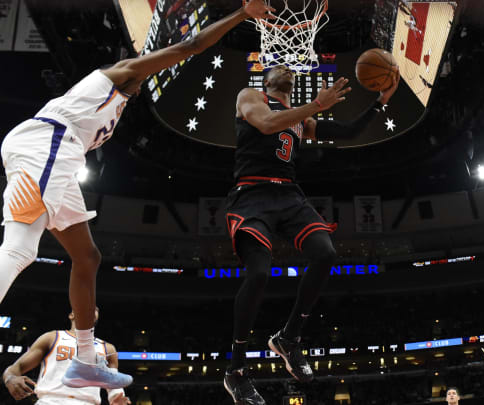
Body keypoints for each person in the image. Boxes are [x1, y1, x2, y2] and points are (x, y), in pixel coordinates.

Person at [0, 0, 276, 389]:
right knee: (22, 247)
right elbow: (191, 46)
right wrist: (242, 15)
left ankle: (83, 362)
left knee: (87, 255)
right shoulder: (121, 72)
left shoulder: (120, 98)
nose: (151, 73)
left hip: (57, 150)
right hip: (47, 142)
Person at [224, 64, 398, 404]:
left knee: (325, 253)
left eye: (290, 69)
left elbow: (348, 132)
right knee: (259, 272)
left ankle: (289, 338)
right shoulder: (251, 97)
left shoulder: (301, 118)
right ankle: (236, 370)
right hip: (252, 194)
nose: (286, 70)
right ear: (267, 80)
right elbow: (266, 123)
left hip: (289, 195)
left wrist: (380, 101)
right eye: (279, 68)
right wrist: (316, 106)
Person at [2, 308, 131, 405]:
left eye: (94, 308)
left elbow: (114, 387)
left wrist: (118, 398)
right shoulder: (52, 337)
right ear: (71, 315)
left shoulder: (108, 348)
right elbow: (16, 367)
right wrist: (10, 378)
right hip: (50, 401)